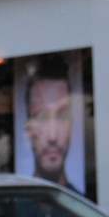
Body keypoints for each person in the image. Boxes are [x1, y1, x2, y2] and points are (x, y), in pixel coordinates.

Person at [21, 55, 78, 191]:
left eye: (62, 116)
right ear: (27, 127)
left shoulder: (84, 209)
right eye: (42, 117)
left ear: (71, 123)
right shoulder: (13, 208)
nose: (52, 137)